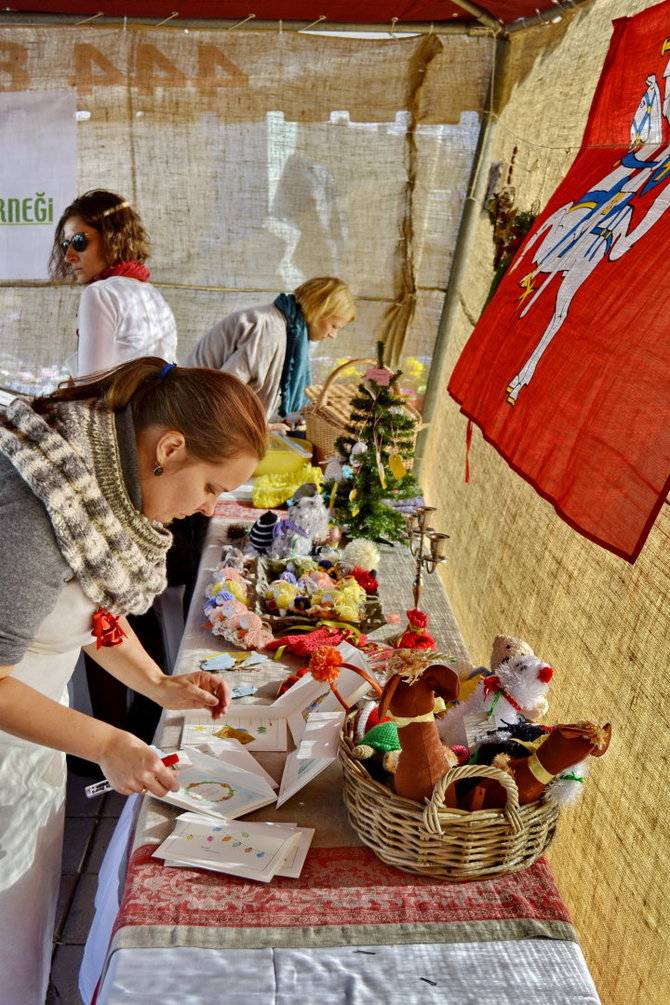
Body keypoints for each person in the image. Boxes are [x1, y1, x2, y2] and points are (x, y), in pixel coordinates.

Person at [0, 357, 267, 1005]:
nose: (210, 506)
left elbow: (91, 610)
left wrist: (158, 685)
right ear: (169, 448)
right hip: (13, 722)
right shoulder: (40, 505)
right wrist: (106, 742)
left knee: (20, 911)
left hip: (33, 727)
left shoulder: (94, 487)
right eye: (209, 485)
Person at [185, 276, 355, 432]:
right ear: (318, 312)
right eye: (334, 326)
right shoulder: (270, 330)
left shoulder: (284, 327)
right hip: (194, 416)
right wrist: (262, 427)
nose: (333, 335)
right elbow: (226, 389)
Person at [49, 189, 177, 377]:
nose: (68, 257)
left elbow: (91, 383)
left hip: (126, 405)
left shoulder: (100, 293)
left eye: (79, 242)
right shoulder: (151, 292)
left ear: (112, 238)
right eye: (65, 245)